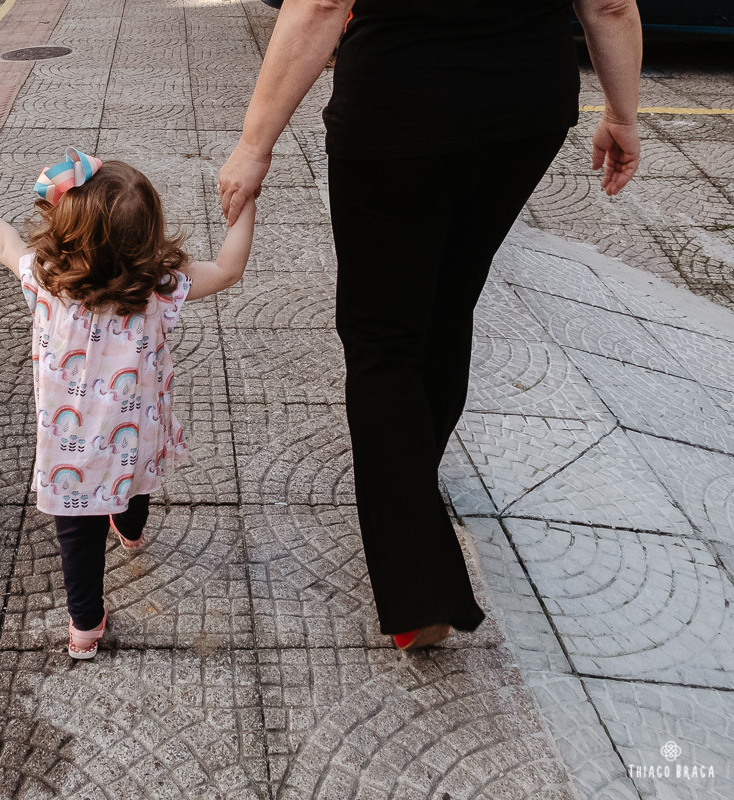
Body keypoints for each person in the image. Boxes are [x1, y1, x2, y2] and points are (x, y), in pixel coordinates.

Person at [218, 0, 642, 650]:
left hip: (397, 110)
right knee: (448, 304)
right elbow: (610, 6)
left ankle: (419, 588)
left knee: (382, 341)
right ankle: (411, 481)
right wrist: (620, 114)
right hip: (524, 110)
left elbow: (321, 6)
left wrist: (254, 145)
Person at [0, 149, 256, 658]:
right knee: (135, 487)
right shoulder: (158, 291)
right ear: (148, 239)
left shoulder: (48, 280)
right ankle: (131, 530)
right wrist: (245, 205)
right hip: (133, 439)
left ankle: (85, 627)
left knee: (77, 535)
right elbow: (228, 270)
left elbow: (4, 240)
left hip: (69, 450)